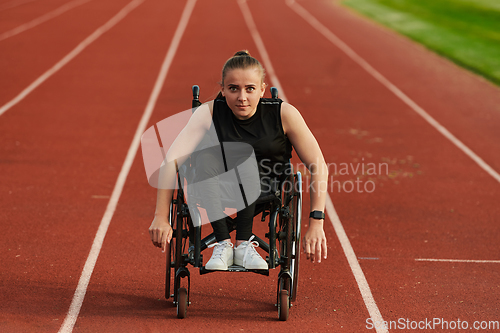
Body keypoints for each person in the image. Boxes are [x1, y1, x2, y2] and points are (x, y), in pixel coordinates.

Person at [149, 50, 328, 270]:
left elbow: (317, 164)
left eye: (250, 89)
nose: (242, 97)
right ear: (222, 89)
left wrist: (317, 221)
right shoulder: (209, 112)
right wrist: (160, 216)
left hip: (265, 187)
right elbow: (171, 161)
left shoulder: (284, 114)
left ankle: (243, 245)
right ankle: (223, 244)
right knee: (205, 157)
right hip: (214, 185)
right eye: (233, 88)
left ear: (262, 90)